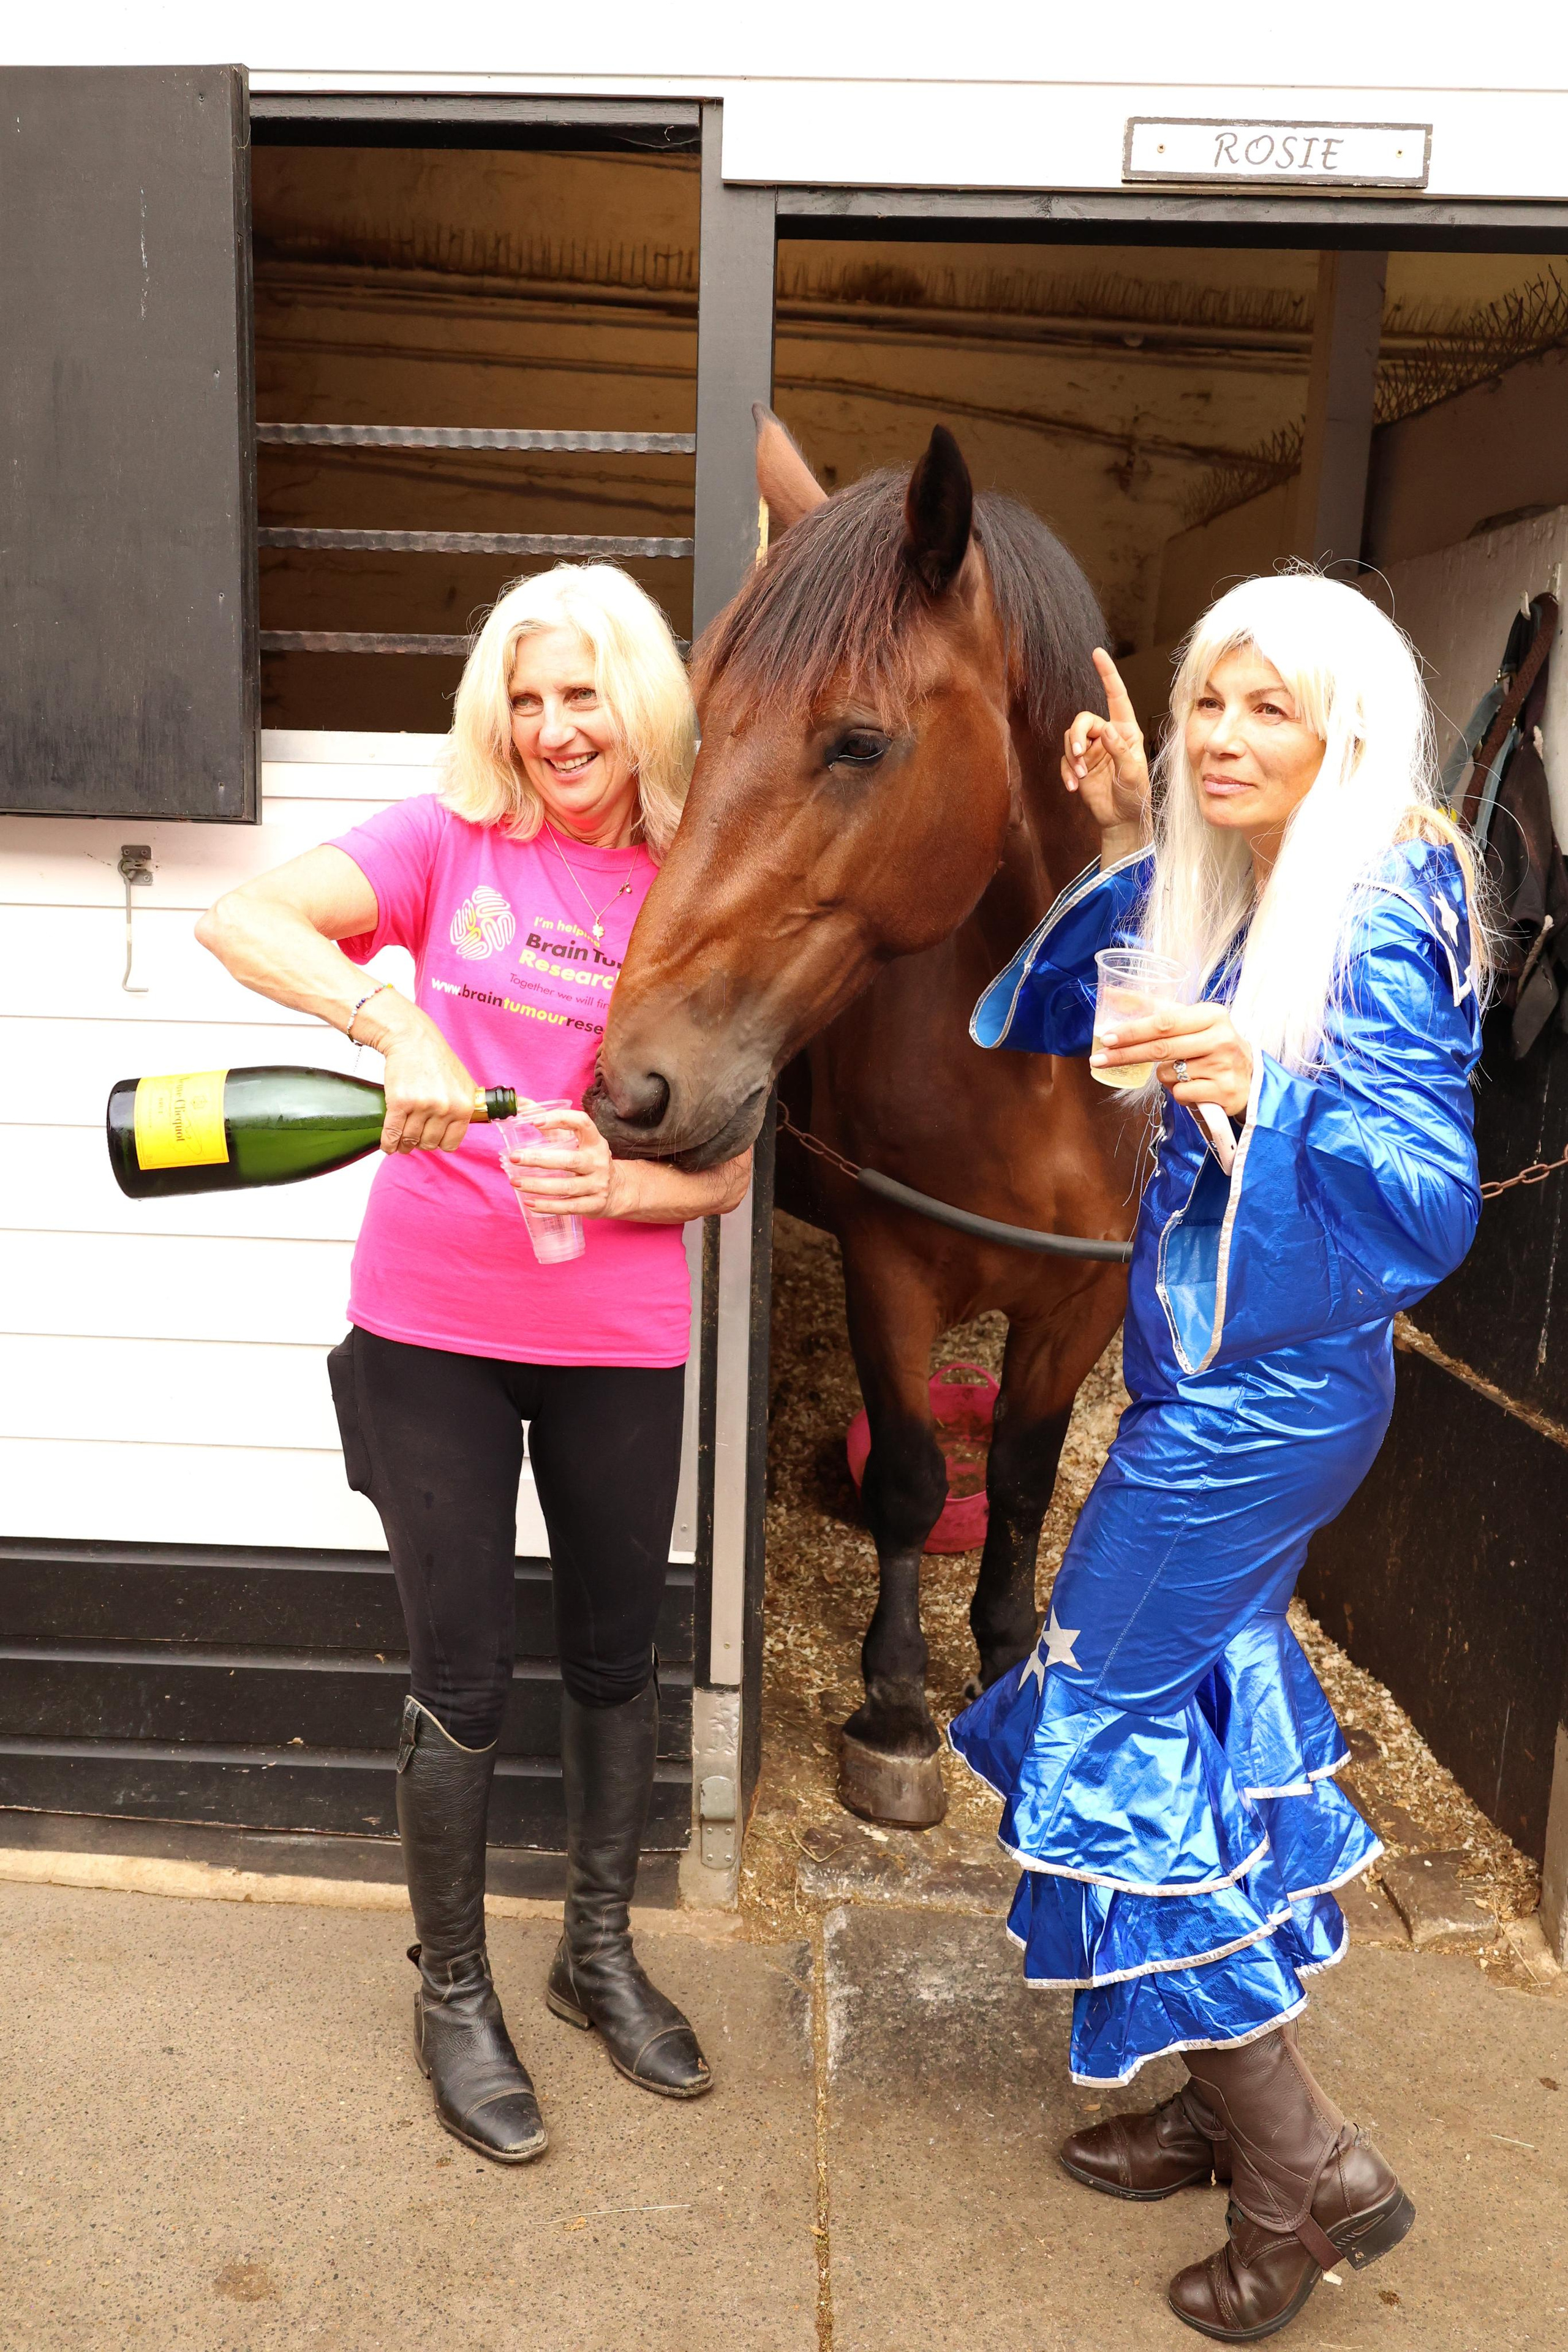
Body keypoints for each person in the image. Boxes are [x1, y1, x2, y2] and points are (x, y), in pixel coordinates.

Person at [949, 572, 1485, 2340]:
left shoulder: (1384, 901)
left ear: (1348, 728)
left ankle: (1303, 2170)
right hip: (1226, 1377)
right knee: (1192, 1712)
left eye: (1270, 708)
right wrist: (1129, 825)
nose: (1224, 737)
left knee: (1099, 1728)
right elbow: (1173, 994)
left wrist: (1265, 1081)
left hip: (1261, 1405)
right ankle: (1216, 2092)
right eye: (1209, 704)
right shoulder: (1284, 873)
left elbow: (1430, 1204)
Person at [197, 565, 749, 2165]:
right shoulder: (449, 842)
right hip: (430, 1321)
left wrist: (623, 1187)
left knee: (616, 1660)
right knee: (460, 1675)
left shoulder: (701, 880)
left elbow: (728, 1168)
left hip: (617, 1333)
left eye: (584, 694)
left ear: (640, 702)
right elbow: (243, 917)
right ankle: (452, 1991)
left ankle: (596, 1955)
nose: (556, 728)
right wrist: (393, 1021)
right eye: (528, 697)